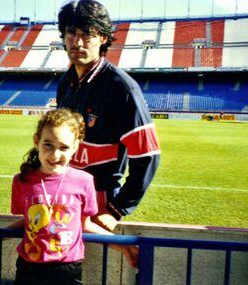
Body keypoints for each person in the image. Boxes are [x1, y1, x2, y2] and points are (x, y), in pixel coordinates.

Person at [0, 109, 137, 284]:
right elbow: (28, 222)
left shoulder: (84, 181)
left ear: (76, 147)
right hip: (29, 269)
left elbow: (84, 225)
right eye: (48, 145)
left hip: (67, 270)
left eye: (64, 147)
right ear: (36, 141)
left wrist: (123, 246)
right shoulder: (22, 181)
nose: (55, 155)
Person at [57, 0, 160, 231]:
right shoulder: (65, 82)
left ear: (103, 38)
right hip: (65, 193)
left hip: (99, 201)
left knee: (91, 267)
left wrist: (117, 209)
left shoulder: (121, 87)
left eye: (88, 34)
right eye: (71, 32)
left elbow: (148, 155)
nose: (78, 41)